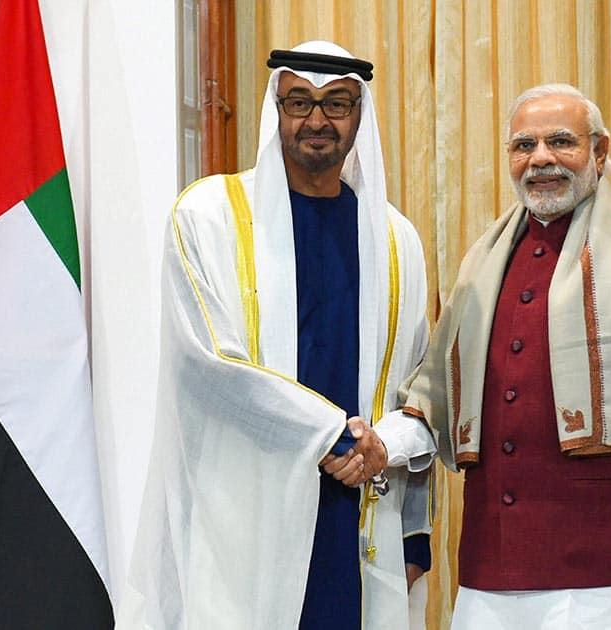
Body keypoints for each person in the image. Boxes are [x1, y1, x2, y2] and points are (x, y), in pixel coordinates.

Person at [118, 41, 435, 629]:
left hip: (361, 520)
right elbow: (210, 366)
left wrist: (415, 535)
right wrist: (334, 434)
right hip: (243, 523)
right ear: (276, 110)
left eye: (336, 104)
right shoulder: (207, 216)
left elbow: (416, 390)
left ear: (359, 116)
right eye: (299, 102)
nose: (316, 121)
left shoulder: (396, 240)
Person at [398, 84, 611, 630]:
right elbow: (433, 399)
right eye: (523, 145)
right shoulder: (482, 263)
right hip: (491, 576)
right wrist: (373, 445)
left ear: (600, 152)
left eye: (561, 142)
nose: (541, 159)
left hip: (610, 577)